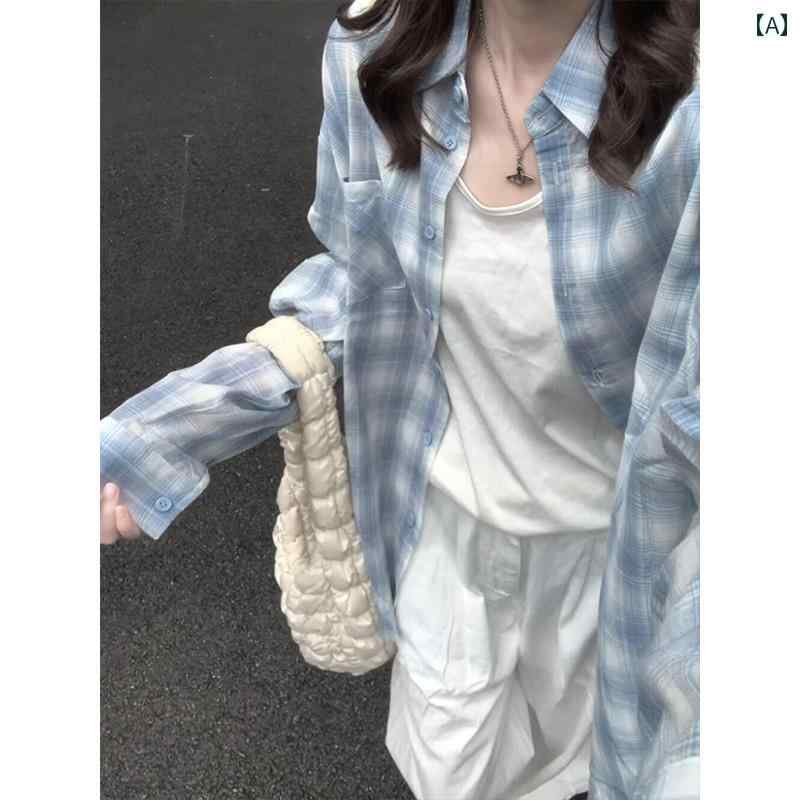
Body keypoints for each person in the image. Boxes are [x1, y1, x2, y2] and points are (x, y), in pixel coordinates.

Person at [100, 1, 700, 798]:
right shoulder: (377, 51)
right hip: (443, 534)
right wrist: (161, 434)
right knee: (452, 771)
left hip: (615, 555)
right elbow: (362, 282)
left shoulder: (700, 113)